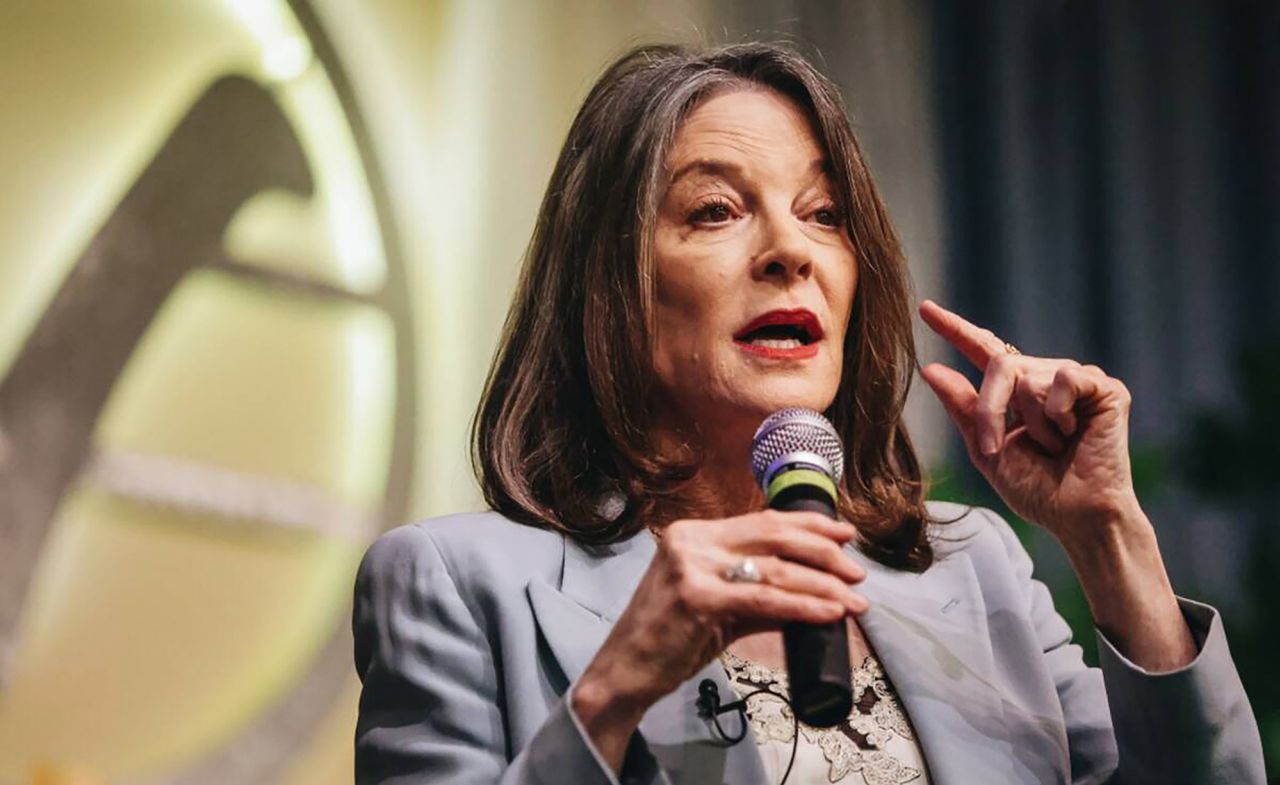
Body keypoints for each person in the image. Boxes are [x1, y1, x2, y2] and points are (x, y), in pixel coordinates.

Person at [352, 42, 1264, 785]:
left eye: (824, 212)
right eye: (715, 210)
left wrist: (1108, 533)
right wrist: (613, 694)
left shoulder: (974, 568)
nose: (792, 248)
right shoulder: (454, 583)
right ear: (610, 287)